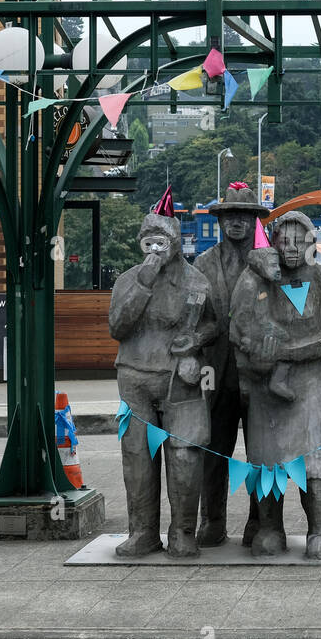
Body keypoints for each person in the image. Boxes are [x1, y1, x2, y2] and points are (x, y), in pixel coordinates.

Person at [229, 211, 321, 559]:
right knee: (269, 458)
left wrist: (279, 353)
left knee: (319, 461)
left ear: (313, 241)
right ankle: (269, 527)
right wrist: (256, 353)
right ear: (274, 242)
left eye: (300, 239)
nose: (291, 247)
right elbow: (237, 325)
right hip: (268, 386)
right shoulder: (258, 280)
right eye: (284, 239)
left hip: (316, 385)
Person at [109, 205, 217, 558]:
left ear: (176, 242)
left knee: (185, 455)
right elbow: (118, 327)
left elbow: (214, 323)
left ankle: (183, 531)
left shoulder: (197, 281)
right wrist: (144, 281)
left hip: (180, 379)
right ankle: (142, 531)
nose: (155, 248)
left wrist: (197, 340)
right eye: (148, 241)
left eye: (162, 241)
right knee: (138, 456)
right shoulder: (128, 280)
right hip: (135, 377)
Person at [193, 182, 271, 548]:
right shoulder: (203, 263)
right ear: (221, 221)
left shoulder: (270, 263)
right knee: (214, 451)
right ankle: (213, 520)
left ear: (255, 220)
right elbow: (192, 315)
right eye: (230, 217)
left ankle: (260, 521)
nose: (237, 223)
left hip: (258, 373)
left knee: (261, 453)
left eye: (244, 216)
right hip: (215, 371)